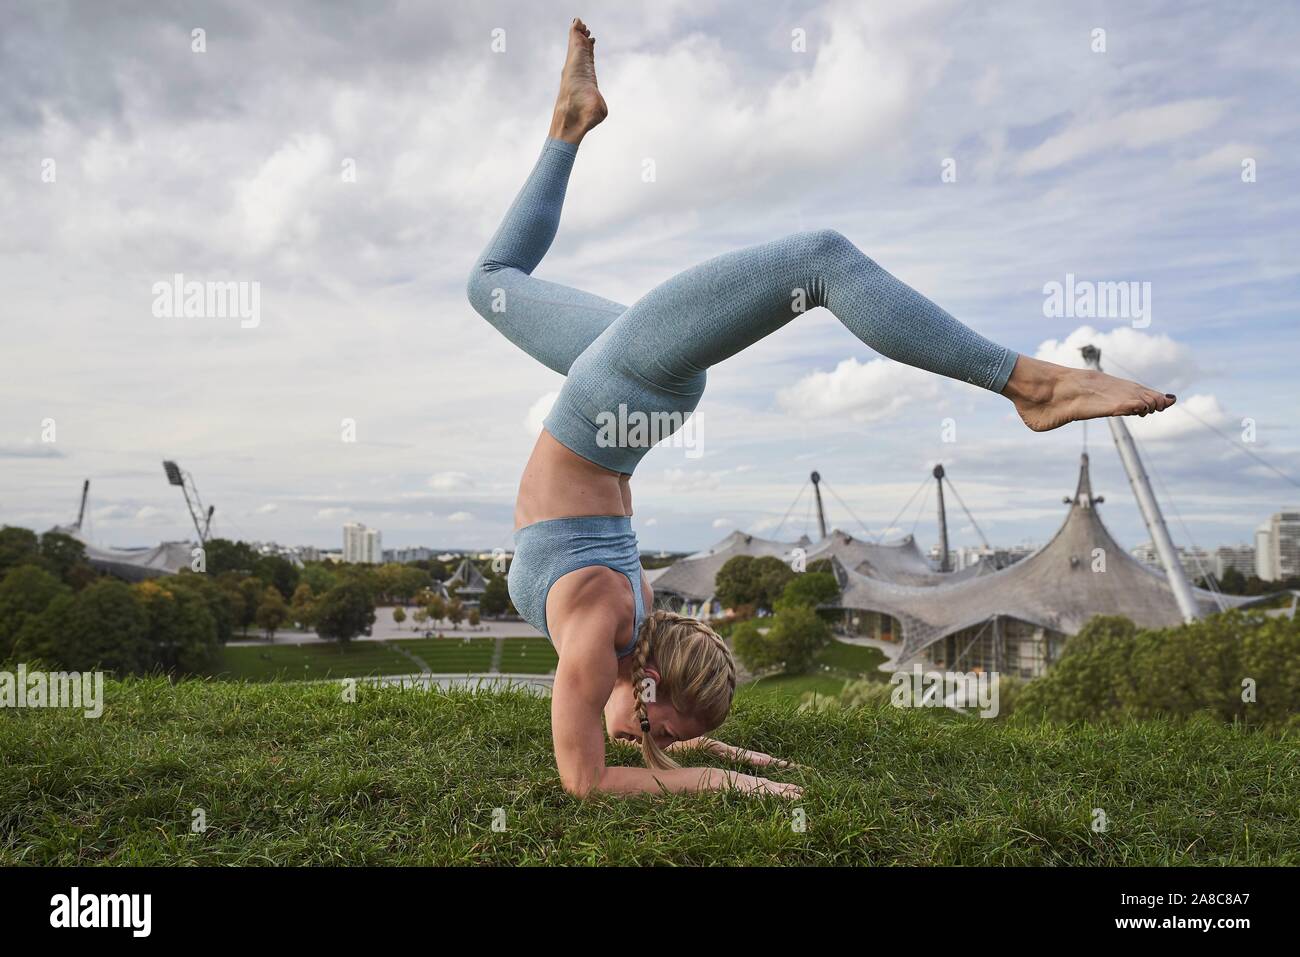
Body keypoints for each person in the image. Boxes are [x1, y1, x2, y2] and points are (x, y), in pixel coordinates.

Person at [466, 19, 1175, 799]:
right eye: (671, 734)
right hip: (617, 393)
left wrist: (728, 764)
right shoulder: (612, 628)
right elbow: (592, 779)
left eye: (672, 736)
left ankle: (568, 126)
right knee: (810, 260)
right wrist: (743, 778)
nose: (654, 743)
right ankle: (1032, 386)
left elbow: (589, 773)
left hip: (618, 394)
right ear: (650, 679)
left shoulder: (607, 630)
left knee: (504, 277)